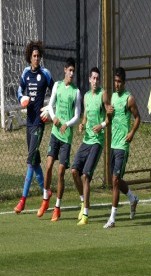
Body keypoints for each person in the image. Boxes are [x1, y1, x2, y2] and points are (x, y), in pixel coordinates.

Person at [36, 57, 81, 221]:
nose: (71, 74)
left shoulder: (76, 92)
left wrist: (67, 124)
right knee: (48, 166)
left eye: (73, 71)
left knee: (61, 171)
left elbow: (77, 115)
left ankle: (57, 207)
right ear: (64, 70)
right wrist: (53, 117)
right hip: (55, 133)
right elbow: (51, 105)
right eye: (69, 70)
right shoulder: (57, 86)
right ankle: (45, 199)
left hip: (66, 137)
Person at [14, 40, 54, 214]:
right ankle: (47, 192)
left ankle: (23, 200)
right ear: (29, 58)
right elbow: (19, 91)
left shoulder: (45, 74)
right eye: (34, 56)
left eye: (38, 56)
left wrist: (50, 108)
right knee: (35, 161)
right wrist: (21, 99)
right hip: (28, 123)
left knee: (30, 162)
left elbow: (56, 91)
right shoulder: (25, 73)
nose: (37, 58)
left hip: (39, 123)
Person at [103, 67, 140, 228]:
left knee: (115, 180)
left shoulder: (128, 99)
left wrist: (132, 132)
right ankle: (132, 198)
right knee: (115, 181)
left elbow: (138, 118)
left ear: (124, 83)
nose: (116, 85)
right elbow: (110, 120)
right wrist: (108, 114)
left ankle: (112, 218)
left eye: (119, 82)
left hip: (122, 145)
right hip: (113, 143)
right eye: (115, 82)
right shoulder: (112, 97)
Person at [71, 67, 108, 225]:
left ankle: (85, 214)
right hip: (86, 140)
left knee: (85, 175)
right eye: (93, 78)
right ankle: (83, 201)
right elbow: (85, 115)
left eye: (97, 79)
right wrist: (82, 124)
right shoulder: (86, 96)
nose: (95, 81)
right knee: (74, 171)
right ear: (89, 79)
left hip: (97, 141)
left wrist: (102, 125)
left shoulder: (103, 94)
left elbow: (109, 115)